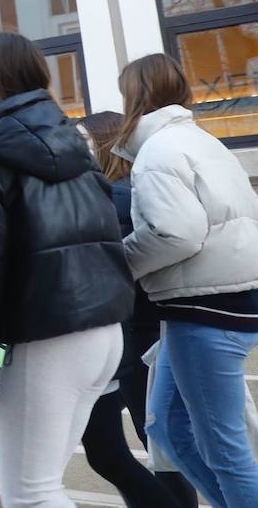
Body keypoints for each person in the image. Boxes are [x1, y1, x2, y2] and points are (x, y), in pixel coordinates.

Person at [0, 33, 133, 508]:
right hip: (103, 331)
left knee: (31, 493)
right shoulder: (74, 146)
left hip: (49, 334)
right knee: (43, 485)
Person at [116, 53, 258, 507]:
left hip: (205, 310)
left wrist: (118, 262)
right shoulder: (202, 141)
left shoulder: (157, 152)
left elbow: (175, 233)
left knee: (224, 449)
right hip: (221, 303)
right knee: (167, 426)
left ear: (135, 95)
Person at [77, 112, 191, 508]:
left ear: (105, 146)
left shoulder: (118, 197)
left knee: (156, 447)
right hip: (134, 332)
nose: (81, 150)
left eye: (87, 142)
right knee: (141, 448)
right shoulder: (118, 192)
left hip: (138, 333)